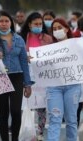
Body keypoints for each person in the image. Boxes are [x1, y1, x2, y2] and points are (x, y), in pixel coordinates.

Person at [0, 11, 33, 141]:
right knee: (3, 112)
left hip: (17, 76)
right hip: (0, 78)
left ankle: (15, 138)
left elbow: (23, 62)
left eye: (6, 21)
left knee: (16, 111)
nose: (4, 24)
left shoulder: (19, 39)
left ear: (11, 23)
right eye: (1, 21)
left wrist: (27, 84)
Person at [46, 18, 81, 141]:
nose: (57, 31)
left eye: (59, 28)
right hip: (54, 88)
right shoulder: (48, 49)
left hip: (72, 86)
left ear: (66, 29)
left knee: (71, 120)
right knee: (54, 120)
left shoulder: (77, 45)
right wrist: (33, 59)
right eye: (54, 29)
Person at [20, 11, 53, 141]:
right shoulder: (21, 38)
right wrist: (25, 58)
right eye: (36, 24)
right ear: (29, 24)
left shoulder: (48, 38)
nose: (38, 26)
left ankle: (39, 133)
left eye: (40, 24)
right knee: (26, 105)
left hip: (42, 76)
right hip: (27, 76)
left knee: (41, 106)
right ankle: (27, 131)